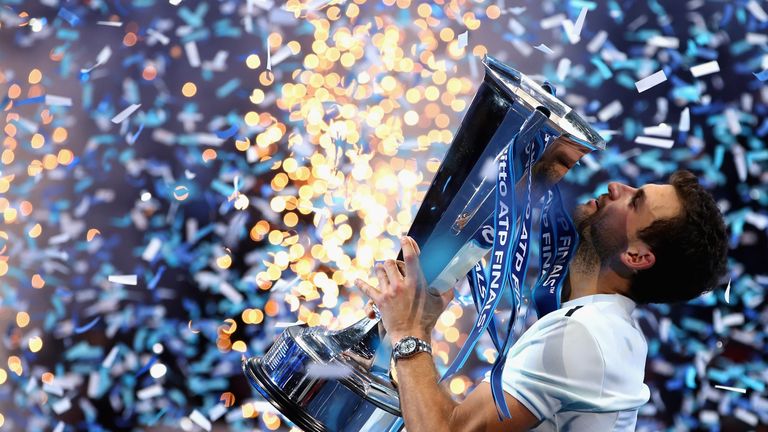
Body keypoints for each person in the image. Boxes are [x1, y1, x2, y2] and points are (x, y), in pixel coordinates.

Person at [354, 170, 728, 431]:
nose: (617, 187)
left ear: (636, 256)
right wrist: (418, 327)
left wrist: (409, 330)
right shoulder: (605, 330)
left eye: (635, 202)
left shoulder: (586, 336)